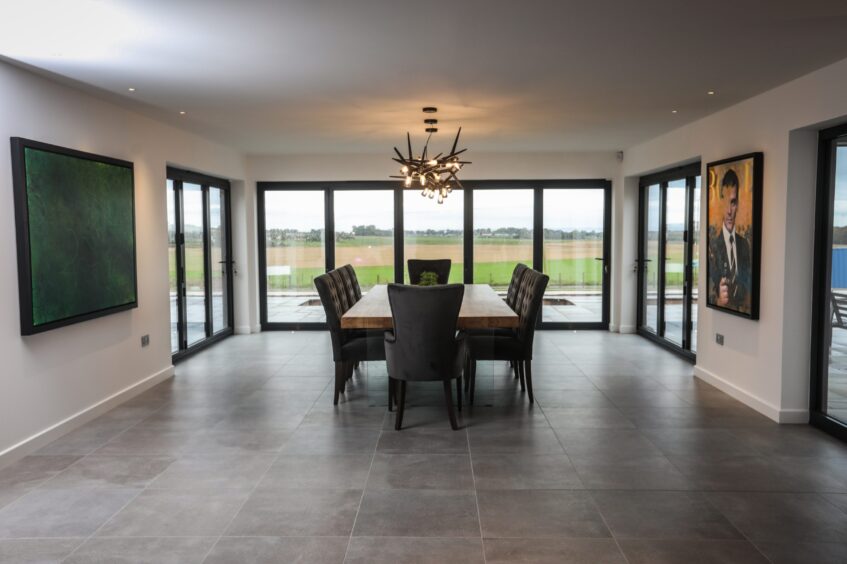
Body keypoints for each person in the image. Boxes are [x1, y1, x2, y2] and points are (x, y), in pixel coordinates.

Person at [709, 169, 752, 311]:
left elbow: (747, 283)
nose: (729, 211)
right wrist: (719, 300)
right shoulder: (712, 246)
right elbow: (709, 289)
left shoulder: (744, 245)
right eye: (726, 202)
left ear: (738, 205)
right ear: (721, 203)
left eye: (733, 203)